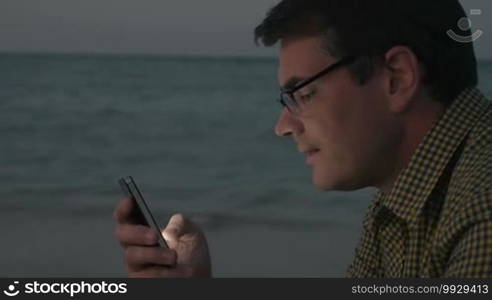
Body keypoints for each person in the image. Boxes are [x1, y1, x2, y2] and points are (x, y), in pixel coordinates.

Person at [113, 0, 492, 277]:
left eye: (304, 93)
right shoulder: (399, 204)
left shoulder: (482, 207)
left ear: (397, 78)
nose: (283, 126)